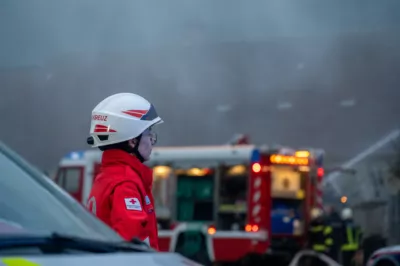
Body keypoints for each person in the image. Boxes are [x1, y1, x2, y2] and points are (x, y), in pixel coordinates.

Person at [85, 93, 163, 250]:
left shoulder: (107, 176)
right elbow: (130, 247)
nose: (152, 141)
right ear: (132, 140)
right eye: (149, 134)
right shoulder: (126, 183)